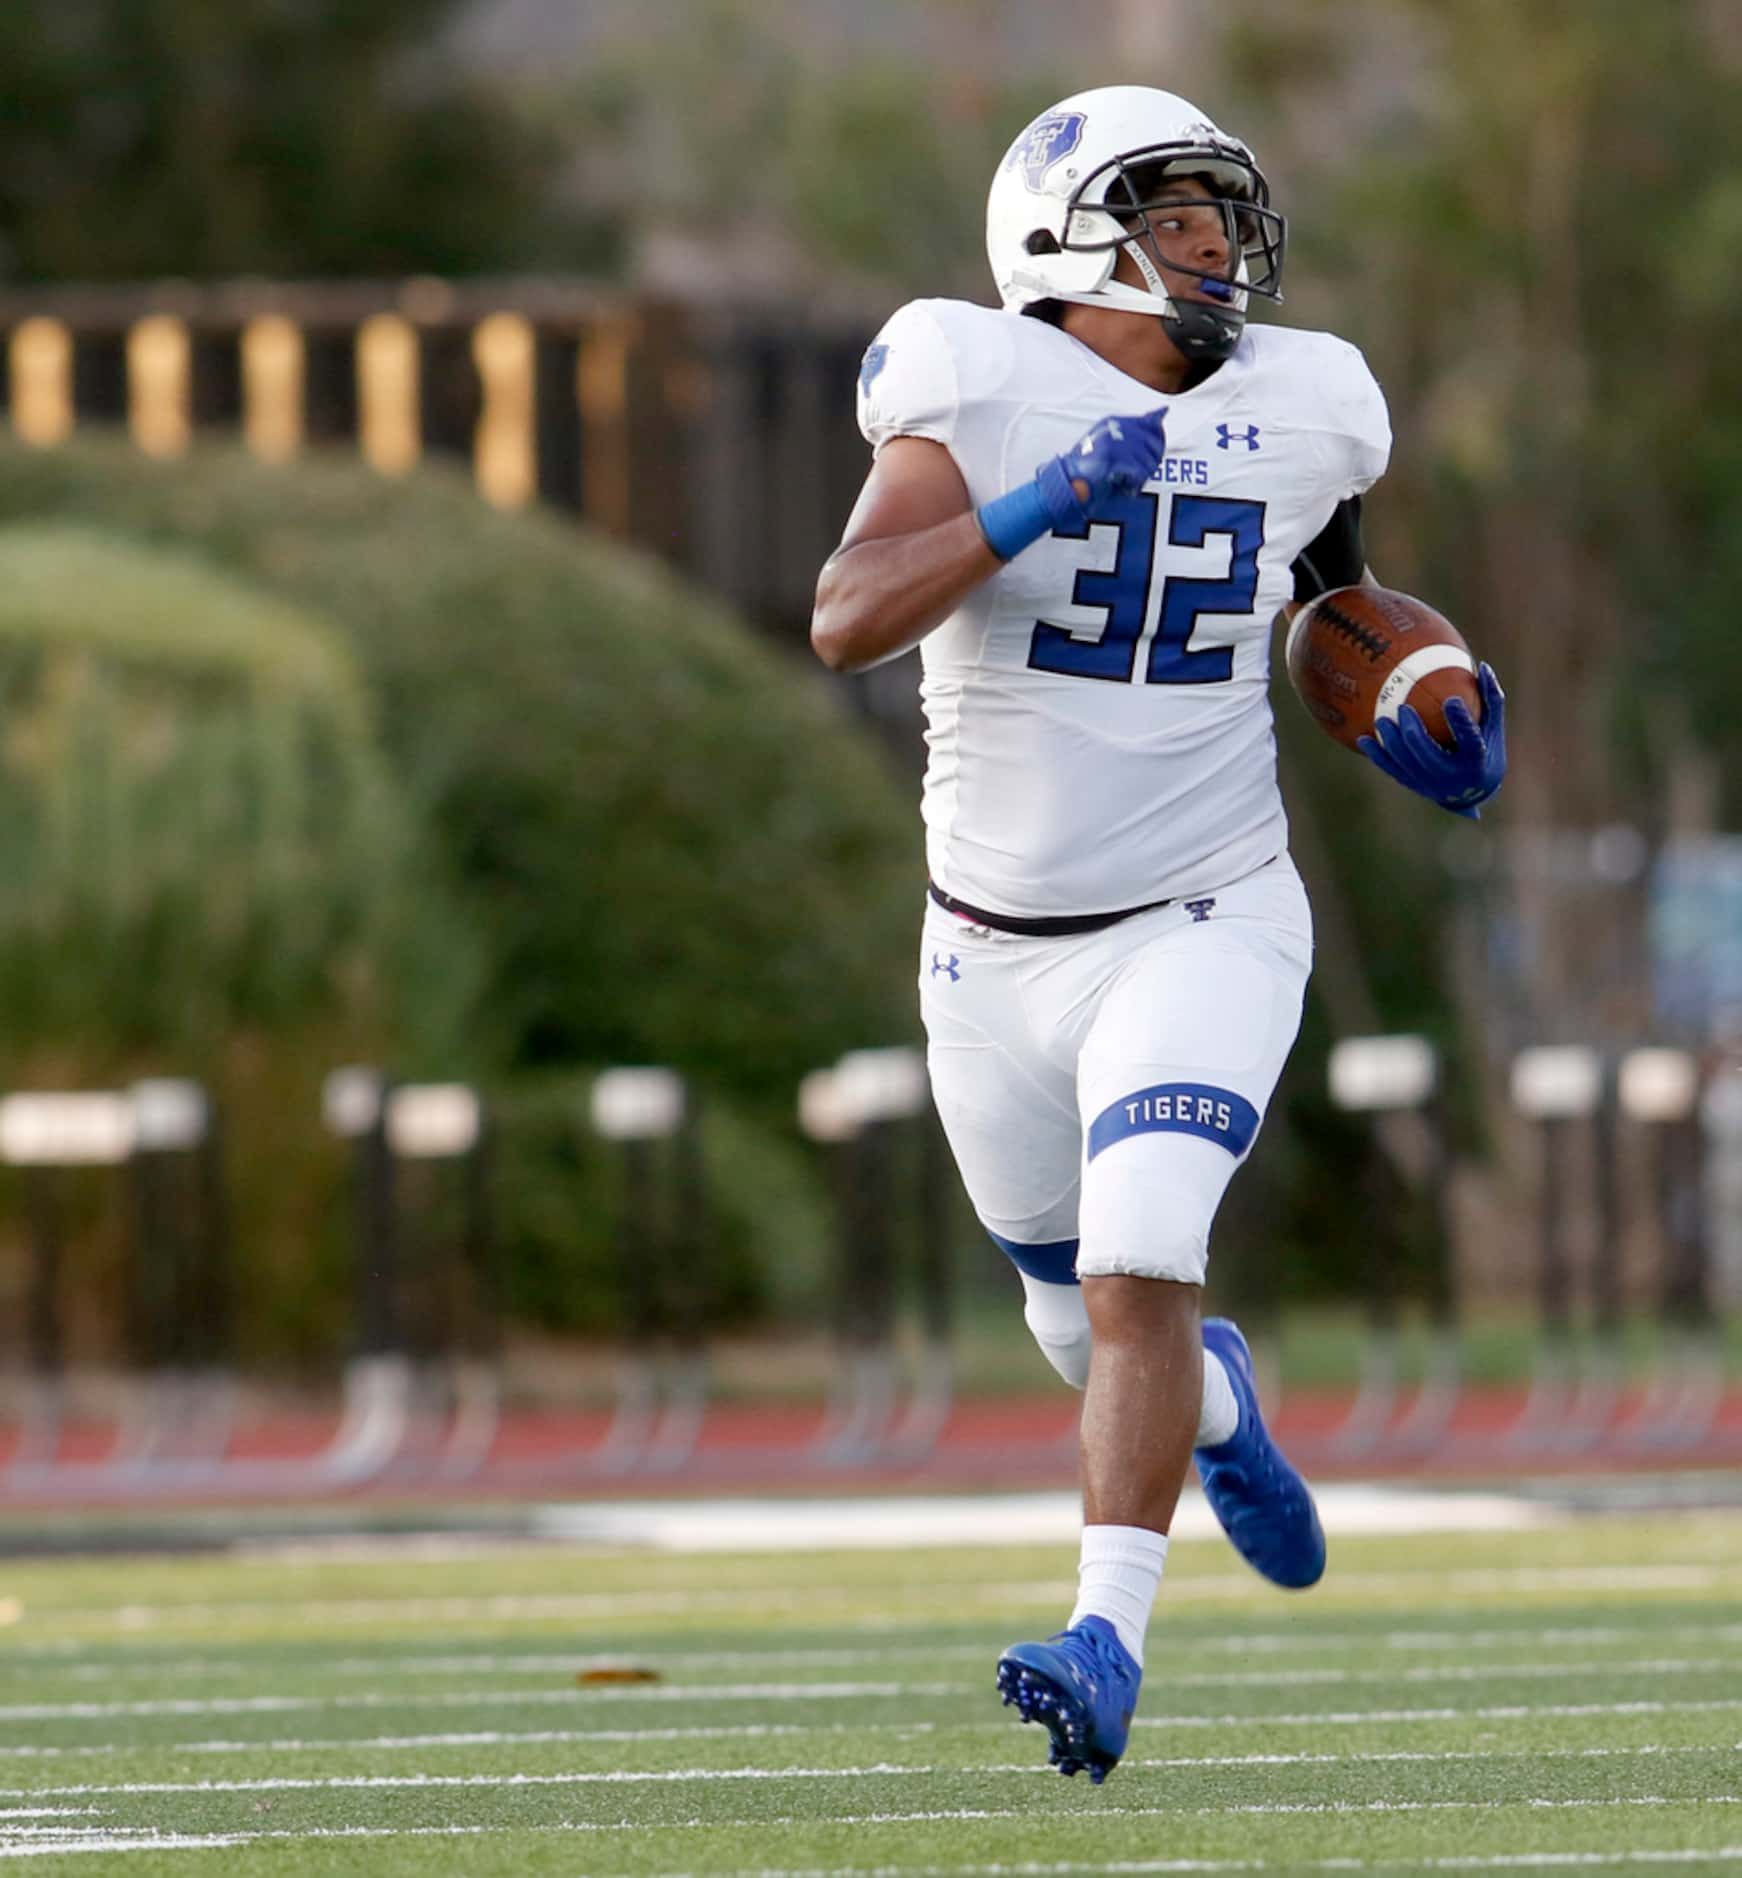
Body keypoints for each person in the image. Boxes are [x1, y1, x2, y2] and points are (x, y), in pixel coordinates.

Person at [809, 84, 1505, 1784]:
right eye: (1173, 218)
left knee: (1134, 1268)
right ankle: (1214, 1405)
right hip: (989, 945)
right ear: (1066, 238)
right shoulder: (969, 383)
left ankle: (1103, 1636)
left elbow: (1324, 597)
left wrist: (1416, 686)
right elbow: (842, 619)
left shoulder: (1304, 400)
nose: (1213, 248)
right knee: (1076, 1323)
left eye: (1219, 217)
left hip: (1203, 909)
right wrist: (1036, 499)